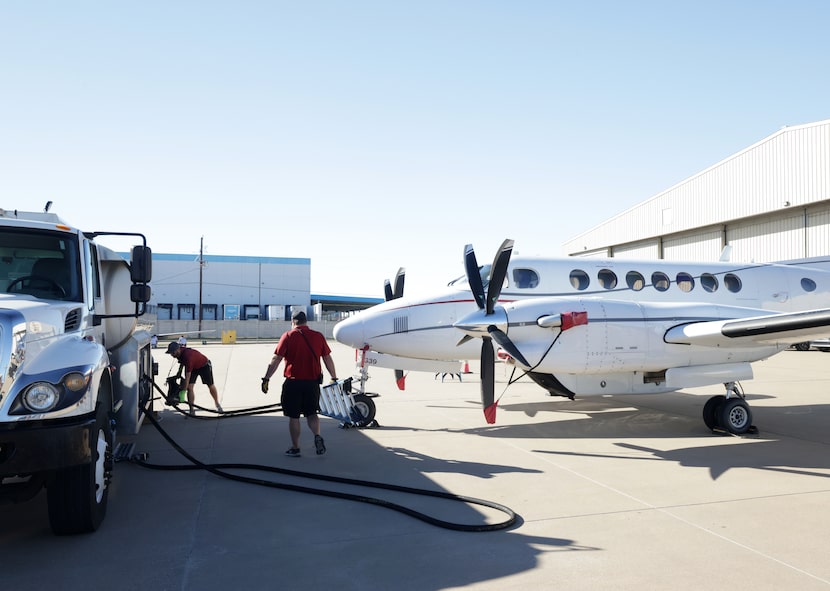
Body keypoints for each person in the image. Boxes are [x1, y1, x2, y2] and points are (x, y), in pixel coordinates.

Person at [261, 310, 337, 457]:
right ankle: (317, 435)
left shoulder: (288, 336)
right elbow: (327, 358)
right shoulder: (318, 336)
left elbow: (276, 359)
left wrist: (266, 378)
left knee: (294, 416)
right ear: (306, 321)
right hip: (312, 384)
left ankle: (295, 447)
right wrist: (333, 376)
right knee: (312, 413)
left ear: (293, 321)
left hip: (293, 383)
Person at [166, 341, 223, 416]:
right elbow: (182, 363)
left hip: (204, 365)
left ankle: (217, 403)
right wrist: (178, 374)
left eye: (173, 353)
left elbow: (187, 377)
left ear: (178, 349)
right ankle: (191, 410)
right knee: (190, 388)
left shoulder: (188, 357)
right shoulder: (180, 353)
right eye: (170, 353)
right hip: (194, 367)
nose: (172, 355)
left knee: (210, 385)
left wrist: (182, 392)